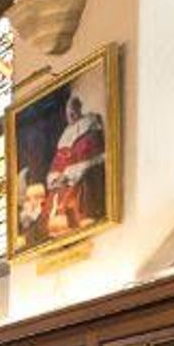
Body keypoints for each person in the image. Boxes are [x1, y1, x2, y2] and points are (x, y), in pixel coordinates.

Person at [42, 93, 106, 238]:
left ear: (78, 109)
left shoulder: (89, 126)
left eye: (73, 110)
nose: (70, 115)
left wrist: (69, 174)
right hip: (65, 177)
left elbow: (91, 156)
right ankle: (57, 233)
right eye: (68, 112)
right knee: (52, 200)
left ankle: (80, 225)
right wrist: (56, 177)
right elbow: (58, 161)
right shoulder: (66, 134)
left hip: (84, 173)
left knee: (72, 195)